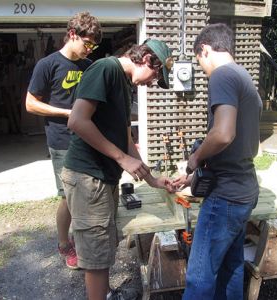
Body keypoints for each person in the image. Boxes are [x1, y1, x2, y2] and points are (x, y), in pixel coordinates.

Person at [60, 39, 174, 300]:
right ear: (146, 59)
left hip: (102, 178)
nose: (153, 82)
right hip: (88, 177)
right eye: (156, 75)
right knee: (96, 257)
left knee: (104, 246)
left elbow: (125, 138)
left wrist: (153, 180)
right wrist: (122, 159)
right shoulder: (105, 69)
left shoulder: (123, 83)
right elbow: (76, 121)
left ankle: (106, 293)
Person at [172, 23, 263, 299]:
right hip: (244, 191)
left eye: (199, 62)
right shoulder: (244, 78)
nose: (202, 69)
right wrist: (193, 177)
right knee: (231, 267)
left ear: (205, 50)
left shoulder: (222, 75)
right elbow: (243, 146)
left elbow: (223, 134)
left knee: (199, 275)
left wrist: (194, 159)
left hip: (225, 198)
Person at [25, 11, 102, 269]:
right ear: (72, 35)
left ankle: (85, 238)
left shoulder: (88, 65)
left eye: (94, 45)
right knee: (68, 197)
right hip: (61, 141)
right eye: (87, 43)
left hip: (87, 138)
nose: (89, 49)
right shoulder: (47, 65)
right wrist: (67, 113)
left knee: (87, 191)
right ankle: (63, 243)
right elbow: (31, 104)